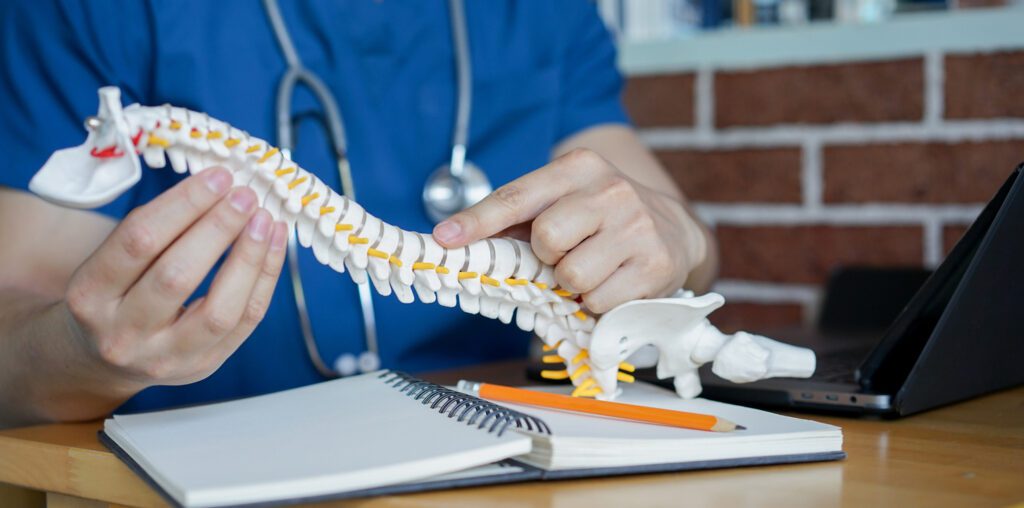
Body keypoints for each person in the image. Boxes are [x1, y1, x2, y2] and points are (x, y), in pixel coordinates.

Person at [0, 0, 717, 428]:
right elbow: (15, 328)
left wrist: (674, 234)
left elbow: (680, 247)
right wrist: (78, 352)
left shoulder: (542, 14)